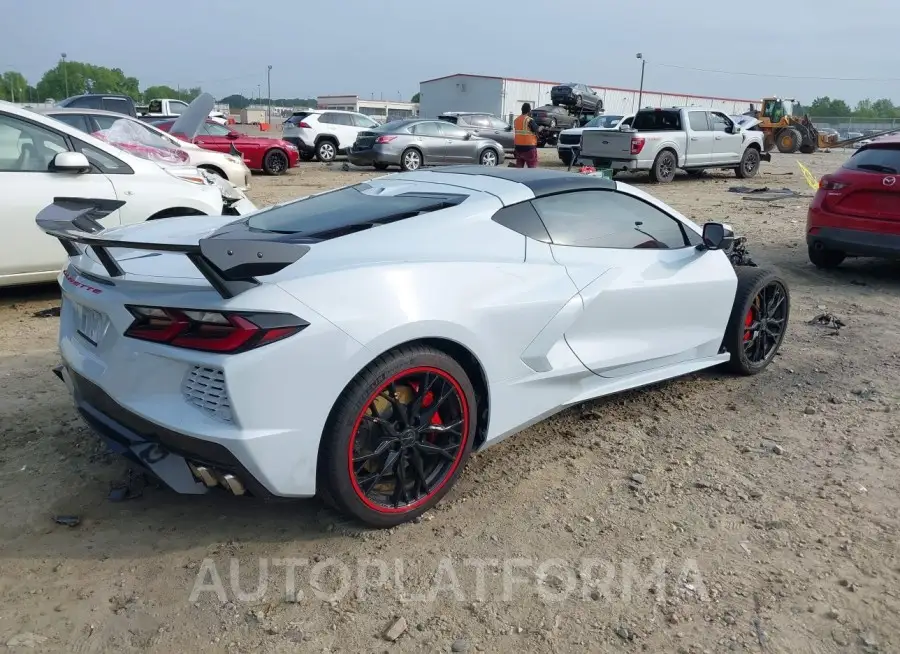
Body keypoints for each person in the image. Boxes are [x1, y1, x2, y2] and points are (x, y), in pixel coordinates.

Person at [513, 103, 539, 168]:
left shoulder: (516, 120)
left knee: (519, 168)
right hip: (529, 147)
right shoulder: (529, 120)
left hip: (518, 147)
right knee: (531, 168)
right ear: (529, 110)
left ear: (521, 110)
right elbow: (536, 130)